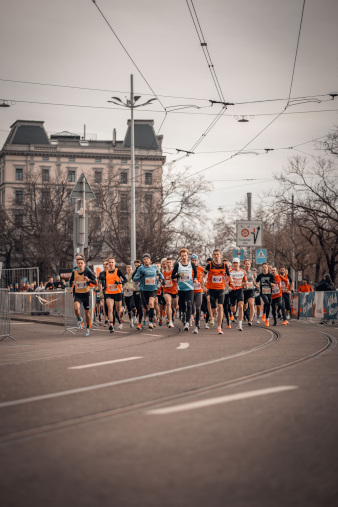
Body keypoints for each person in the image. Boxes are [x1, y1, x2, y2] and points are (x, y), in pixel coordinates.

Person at [133, 253, 164, 329]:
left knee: (151, 303)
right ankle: (151, 315)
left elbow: (160, 274)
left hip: (153, 289)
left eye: (147, 259)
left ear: (150, 260)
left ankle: (150, 322)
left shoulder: (154, 267)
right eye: (144, 259)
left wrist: (162, 280)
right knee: (146, 307)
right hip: (144, 290)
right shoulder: (141, 268)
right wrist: (140, 276)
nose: (146, 260)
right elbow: (134, 278)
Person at [69, 254, 97, 336]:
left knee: (87, 314)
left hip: (85, 294)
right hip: (78, 294)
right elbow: (71, 281)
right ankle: (79, 319)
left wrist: (88, 281)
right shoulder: (74, 273)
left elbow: (95, 282)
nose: (80, 264)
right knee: (76, 307)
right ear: (77, 264)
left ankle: (88, 328)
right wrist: (71, 287)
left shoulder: (88, 272)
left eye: (81, 263)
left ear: (84, 264)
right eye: (79, 263)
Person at [171, 248, 198, 332]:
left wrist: (196, 278)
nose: (184, 257)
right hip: (181, 288)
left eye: (185, 255)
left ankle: (187, 323)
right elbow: (172, 276)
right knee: (182, 305)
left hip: (189, 288)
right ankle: (182, 313)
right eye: (182, 256)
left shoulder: (191, 264)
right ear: (180, 256)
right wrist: (179, 275)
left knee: (189, 305)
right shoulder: (177, 265)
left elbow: (195, 272)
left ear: (187, 256)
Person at [204, 249, 230, 334]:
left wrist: (230, 283)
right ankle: (214, 315)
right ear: (213, 255)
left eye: (217, 254)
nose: (216, 256)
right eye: (214, 254)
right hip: (211, 290)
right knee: (214, 310)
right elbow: (203, 276)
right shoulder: (210, 265)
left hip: (221, 289)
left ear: (220, 255)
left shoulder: (224, 265)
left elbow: (229, 276)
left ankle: (219, 327)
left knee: (220, 306)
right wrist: (203, 286)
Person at [101, 257, 127, 333]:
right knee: (110, 308)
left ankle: (122, 309)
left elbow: (125, 280)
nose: (111, 264)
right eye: (110, 262)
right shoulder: (106, 272)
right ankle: (111, 324)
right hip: (109, 293)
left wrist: (119, 283)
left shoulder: (118, 271)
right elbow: (104, 281)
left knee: (118, 310)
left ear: (115, 263)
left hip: (117, 293)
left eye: (112, 262)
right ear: (108, 264)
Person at [229, 257, 247, 331]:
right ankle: (232, 314)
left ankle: (240, 324)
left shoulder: (243, 272)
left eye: (237, 263)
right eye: (234, 263)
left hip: (239, 290)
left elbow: (245, 281)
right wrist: (228, 287)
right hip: (232, 291)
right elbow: (225, 281)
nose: (236, 264)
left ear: (239, 264)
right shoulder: (230, 272)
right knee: (233, 310)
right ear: (233, 264)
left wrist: (245, 283)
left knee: (241, 306)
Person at [255, 263, 275, 327]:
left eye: (265, 267)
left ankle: (266, 318)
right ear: (262, 268)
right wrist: (257, 285)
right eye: (263, 267)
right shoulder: (260, 275)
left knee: (268, 304)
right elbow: (256, 282)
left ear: (267, 268)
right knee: (266, 302)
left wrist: (269, 283)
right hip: (262, 292)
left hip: (269, 292)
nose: (264, 268)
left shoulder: (271, 275)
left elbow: (274, 284)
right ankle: (264, 315)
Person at [191, 254, 205, 334]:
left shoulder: (201, 269)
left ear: (197, 261)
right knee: (192, 308)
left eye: (195, 260)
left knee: (198, 307)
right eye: (192, 260)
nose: (194, 262)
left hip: (199, 290)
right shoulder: (189, 269)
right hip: (191, 291)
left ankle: (196, 324)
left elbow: (205, 277)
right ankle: (191, 317)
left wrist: (204, 285)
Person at [162, 257, 178, 328]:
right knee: (168, 303)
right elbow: (161, 280)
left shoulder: (174, 271)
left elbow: (178, 279)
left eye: (170, 262)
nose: (168, 264)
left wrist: (174, 278)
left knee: (175, 306)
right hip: (166, 290)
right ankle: (170, 321)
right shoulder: (163, 272)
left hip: (174, 290)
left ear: (172, 263)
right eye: (167, 263)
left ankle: (174, 311)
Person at [243, 258, 256, 326]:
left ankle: (250, 320)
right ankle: (245, 312)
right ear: (244, 265)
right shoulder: (242, 272)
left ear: (250, 265)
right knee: (245, 306)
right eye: (246, 264)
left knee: (251, 304)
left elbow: (253, 280)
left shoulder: (252, 272)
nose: (247, 265)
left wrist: (256, 284)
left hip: (251, 290)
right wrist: (243, 284)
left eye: (248, 264)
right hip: (243, 290)